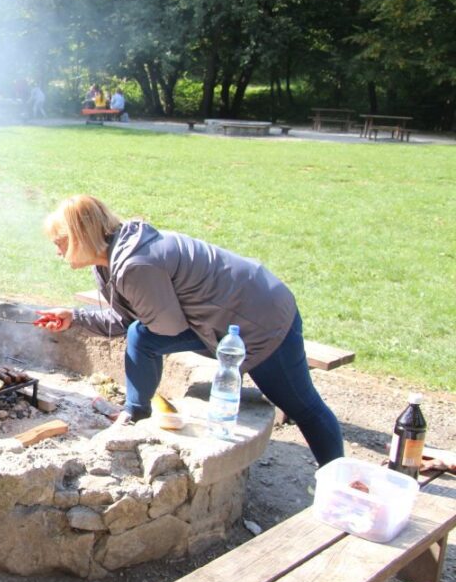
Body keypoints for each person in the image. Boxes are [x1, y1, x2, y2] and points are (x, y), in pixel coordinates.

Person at [36, 195, 344, 466]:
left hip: (260, 317)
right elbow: (131, 320)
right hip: (233, 313)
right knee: (140, 336)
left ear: (79, 236)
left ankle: (339, 479)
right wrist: (74, 317)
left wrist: (130, 331)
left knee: (303, 406)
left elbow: (161, 328)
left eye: (59, 242)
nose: (57, 252)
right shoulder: (107, 260)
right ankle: (134, 411)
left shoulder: (134, 265)